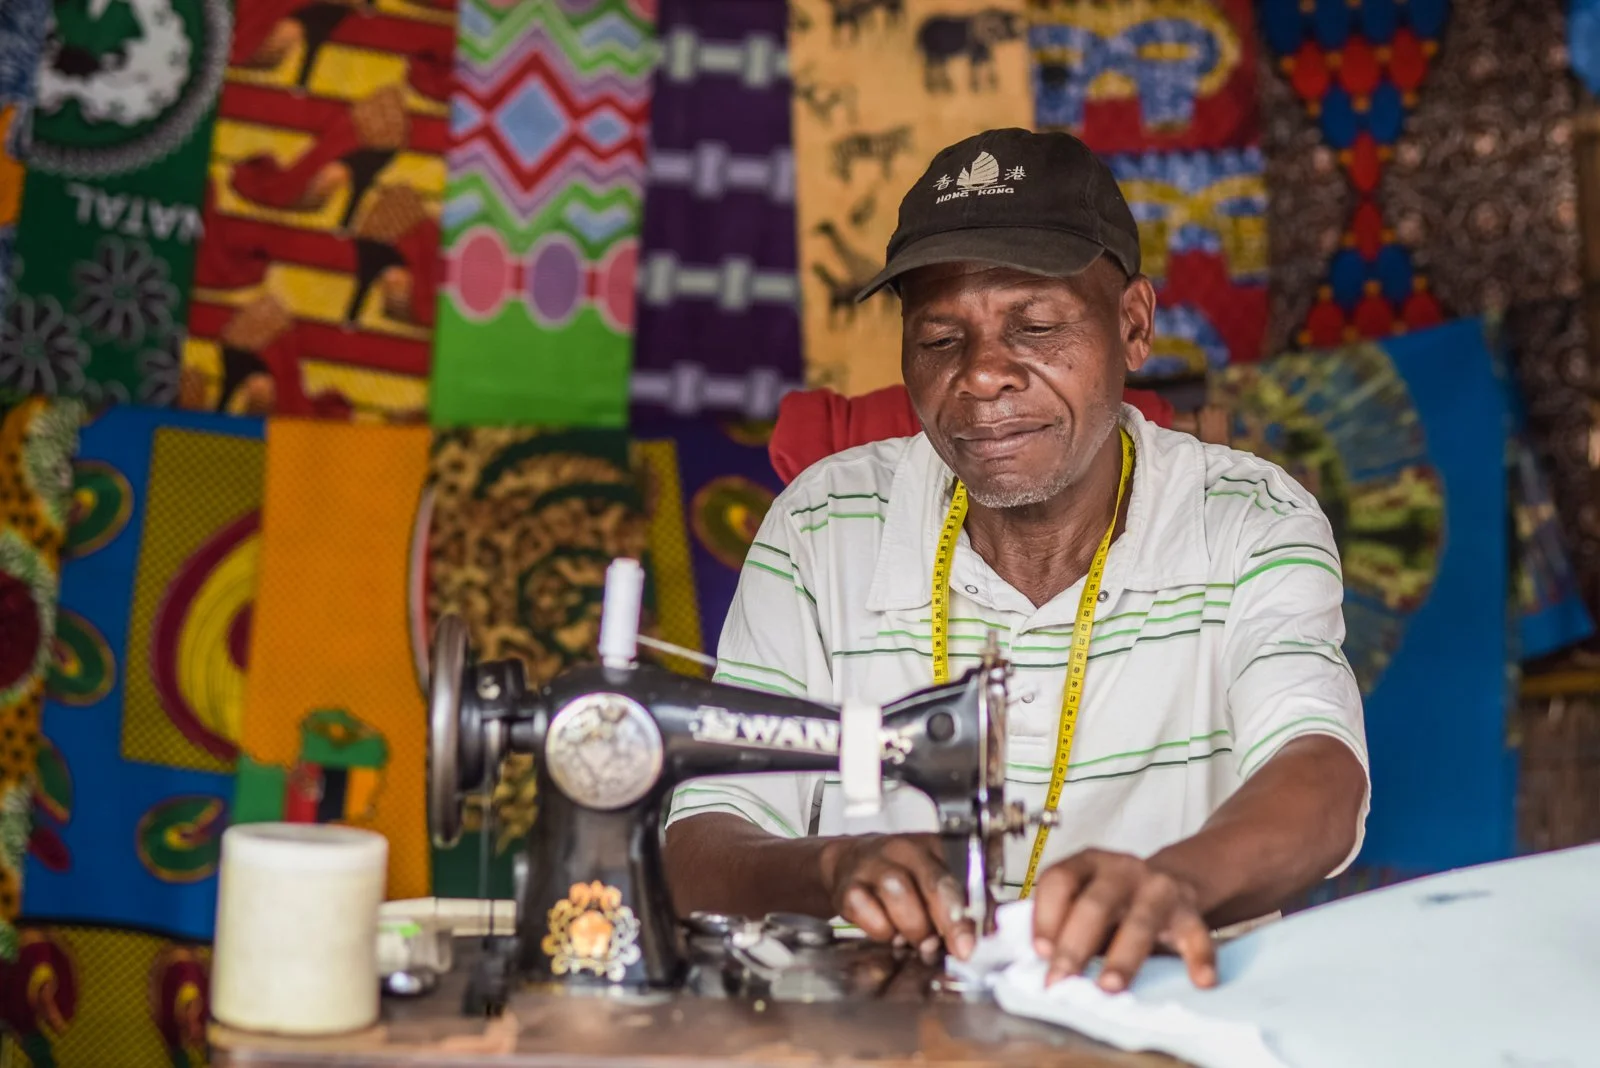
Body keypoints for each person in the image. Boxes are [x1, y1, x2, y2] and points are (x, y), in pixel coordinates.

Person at [663, 128, 1369, 993]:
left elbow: (1321, 777)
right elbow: (704, 837)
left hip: (1154, 1018)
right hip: (884, 1029)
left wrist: (1175, 883)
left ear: (1134, 326)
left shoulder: (1247, 521)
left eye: (1035, 327)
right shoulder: (822, 528)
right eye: (938, 339)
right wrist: (832, 867)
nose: (983, 376)